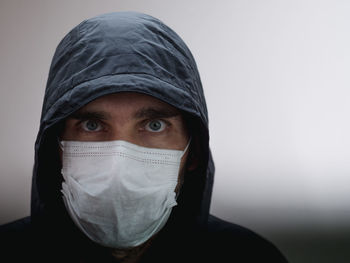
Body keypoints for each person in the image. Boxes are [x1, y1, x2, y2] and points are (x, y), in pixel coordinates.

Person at [0, 12, 288, 262]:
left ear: (194, 151)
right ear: (56, 147)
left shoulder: (248, 257)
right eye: (91, 124)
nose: (118, 164)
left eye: (154, 126)